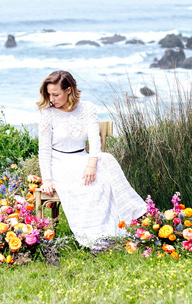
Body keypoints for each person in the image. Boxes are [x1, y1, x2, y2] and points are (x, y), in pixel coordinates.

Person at [37, 70, 147, 247]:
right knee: (93, 183)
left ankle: (136, 213)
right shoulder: (47, 113)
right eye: (49, 94)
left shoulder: (87, 108)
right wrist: (47, 179)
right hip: (59, 163)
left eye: (56, 94)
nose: (51, 99)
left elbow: (95, 139)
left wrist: (91, 163)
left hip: (82, 157)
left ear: (69, 90)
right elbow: (44, 150)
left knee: (108, 159)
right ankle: (96, 235)